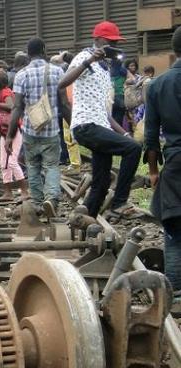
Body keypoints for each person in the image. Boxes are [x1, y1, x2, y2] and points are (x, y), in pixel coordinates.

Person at [59, 21, 142, 219]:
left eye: (116, 43)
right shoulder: (85, 56)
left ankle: (86, 222)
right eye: (110, 42)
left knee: (101, 183)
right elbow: (62, 83)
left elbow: (104, 113)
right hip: (86, 125)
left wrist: (124, 133)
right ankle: (120, 202)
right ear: (98, 41)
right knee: (133, 149)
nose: (113, 47)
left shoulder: (107, 70)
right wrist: (89, 61)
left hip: (99, 125)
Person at [7, 37, 68, 217]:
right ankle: (51, 198)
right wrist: (72, 126)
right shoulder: (57, 72)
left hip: (30, 130)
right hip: (51, 130)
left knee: (32, 166)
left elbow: (17, 107)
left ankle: (38, 202)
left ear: (28, 53)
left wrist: (10, 135)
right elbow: (64, 104)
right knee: (51, 166)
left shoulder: (21, 75)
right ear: (44, 50)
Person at [144, 26, 181, 291]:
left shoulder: (157, 85)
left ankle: (176, 296)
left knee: (175, 232)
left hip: (176, 164)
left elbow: (150, 136)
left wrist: (154, 171)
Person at [0, 69, 29, 202]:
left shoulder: (6, 92)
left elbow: (11, 107)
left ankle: (25, 192)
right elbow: (3, 111)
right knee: (4, 163)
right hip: (4, 132)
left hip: (12, 131)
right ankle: (7, 193)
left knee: (13, 162)